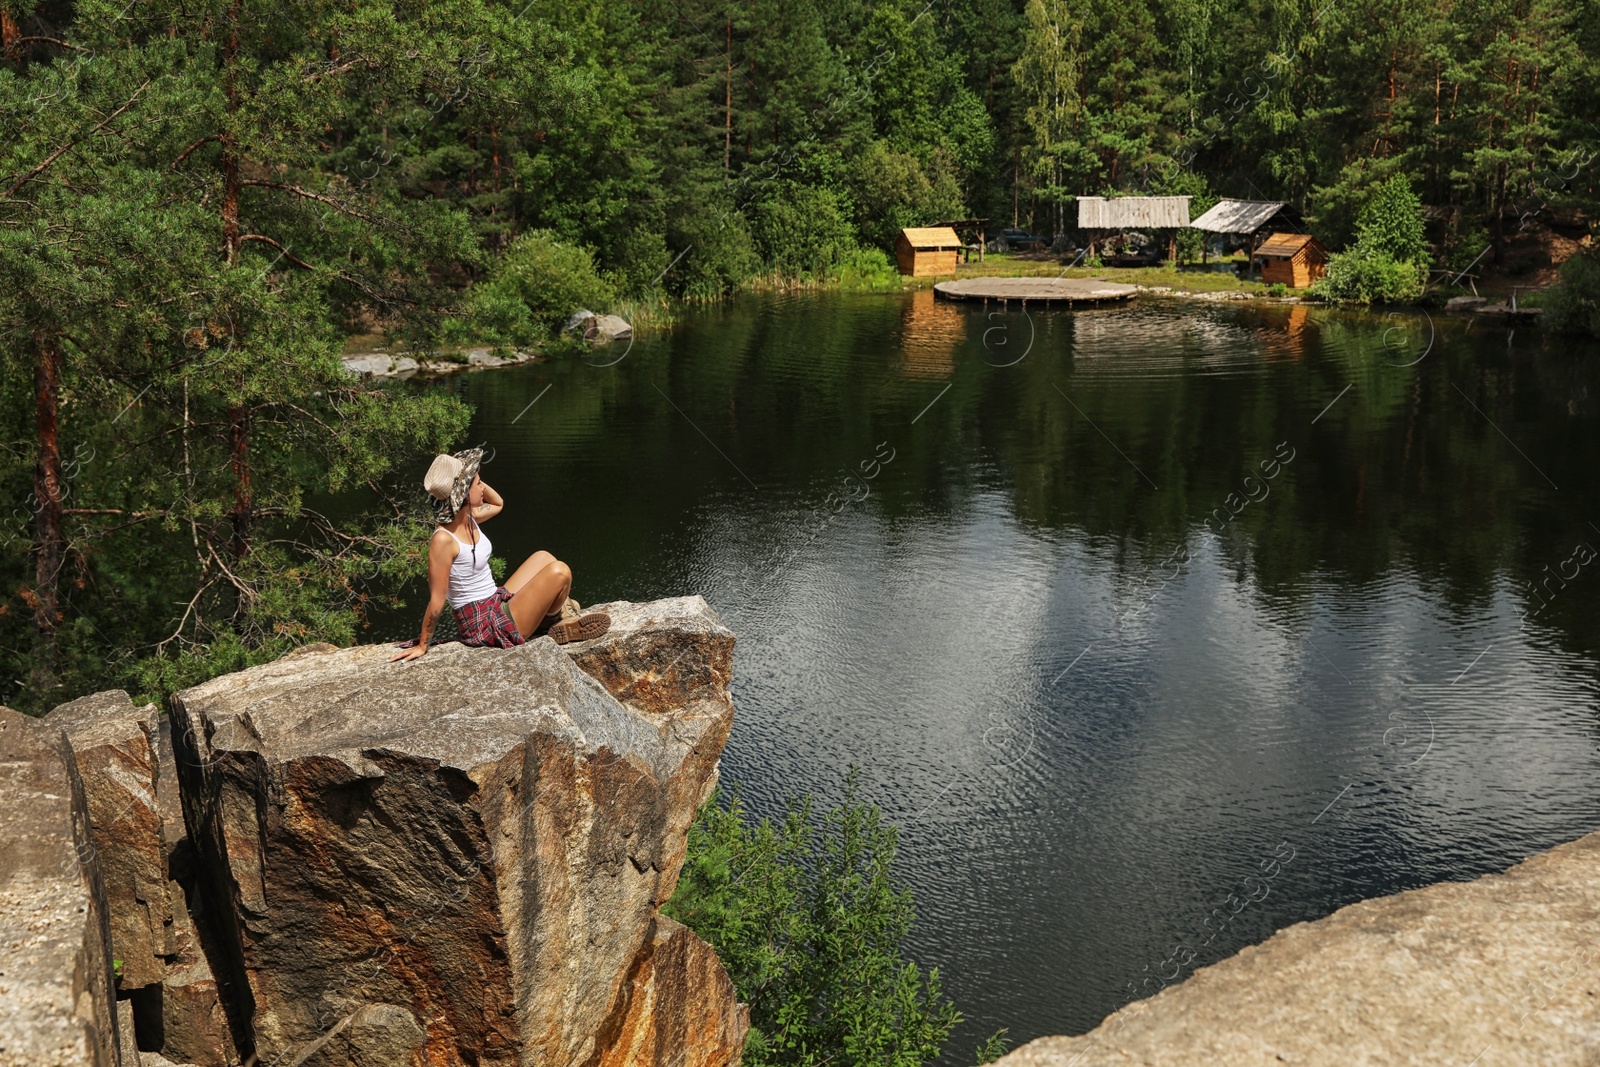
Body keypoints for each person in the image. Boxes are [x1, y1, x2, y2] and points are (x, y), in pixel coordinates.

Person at [390, 447, 610, 663]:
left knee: (544, 557)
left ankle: (551, 616)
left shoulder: (469, 518)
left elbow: (498, 503)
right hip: (483, 626)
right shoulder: (444, 540)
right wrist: (422, 646)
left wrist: (469, 483)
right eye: (478, 482)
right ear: (464, 493)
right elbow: (437, 600)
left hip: (494, 602)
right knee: (560, 572)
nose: (483, 487)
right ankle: (555, 618)